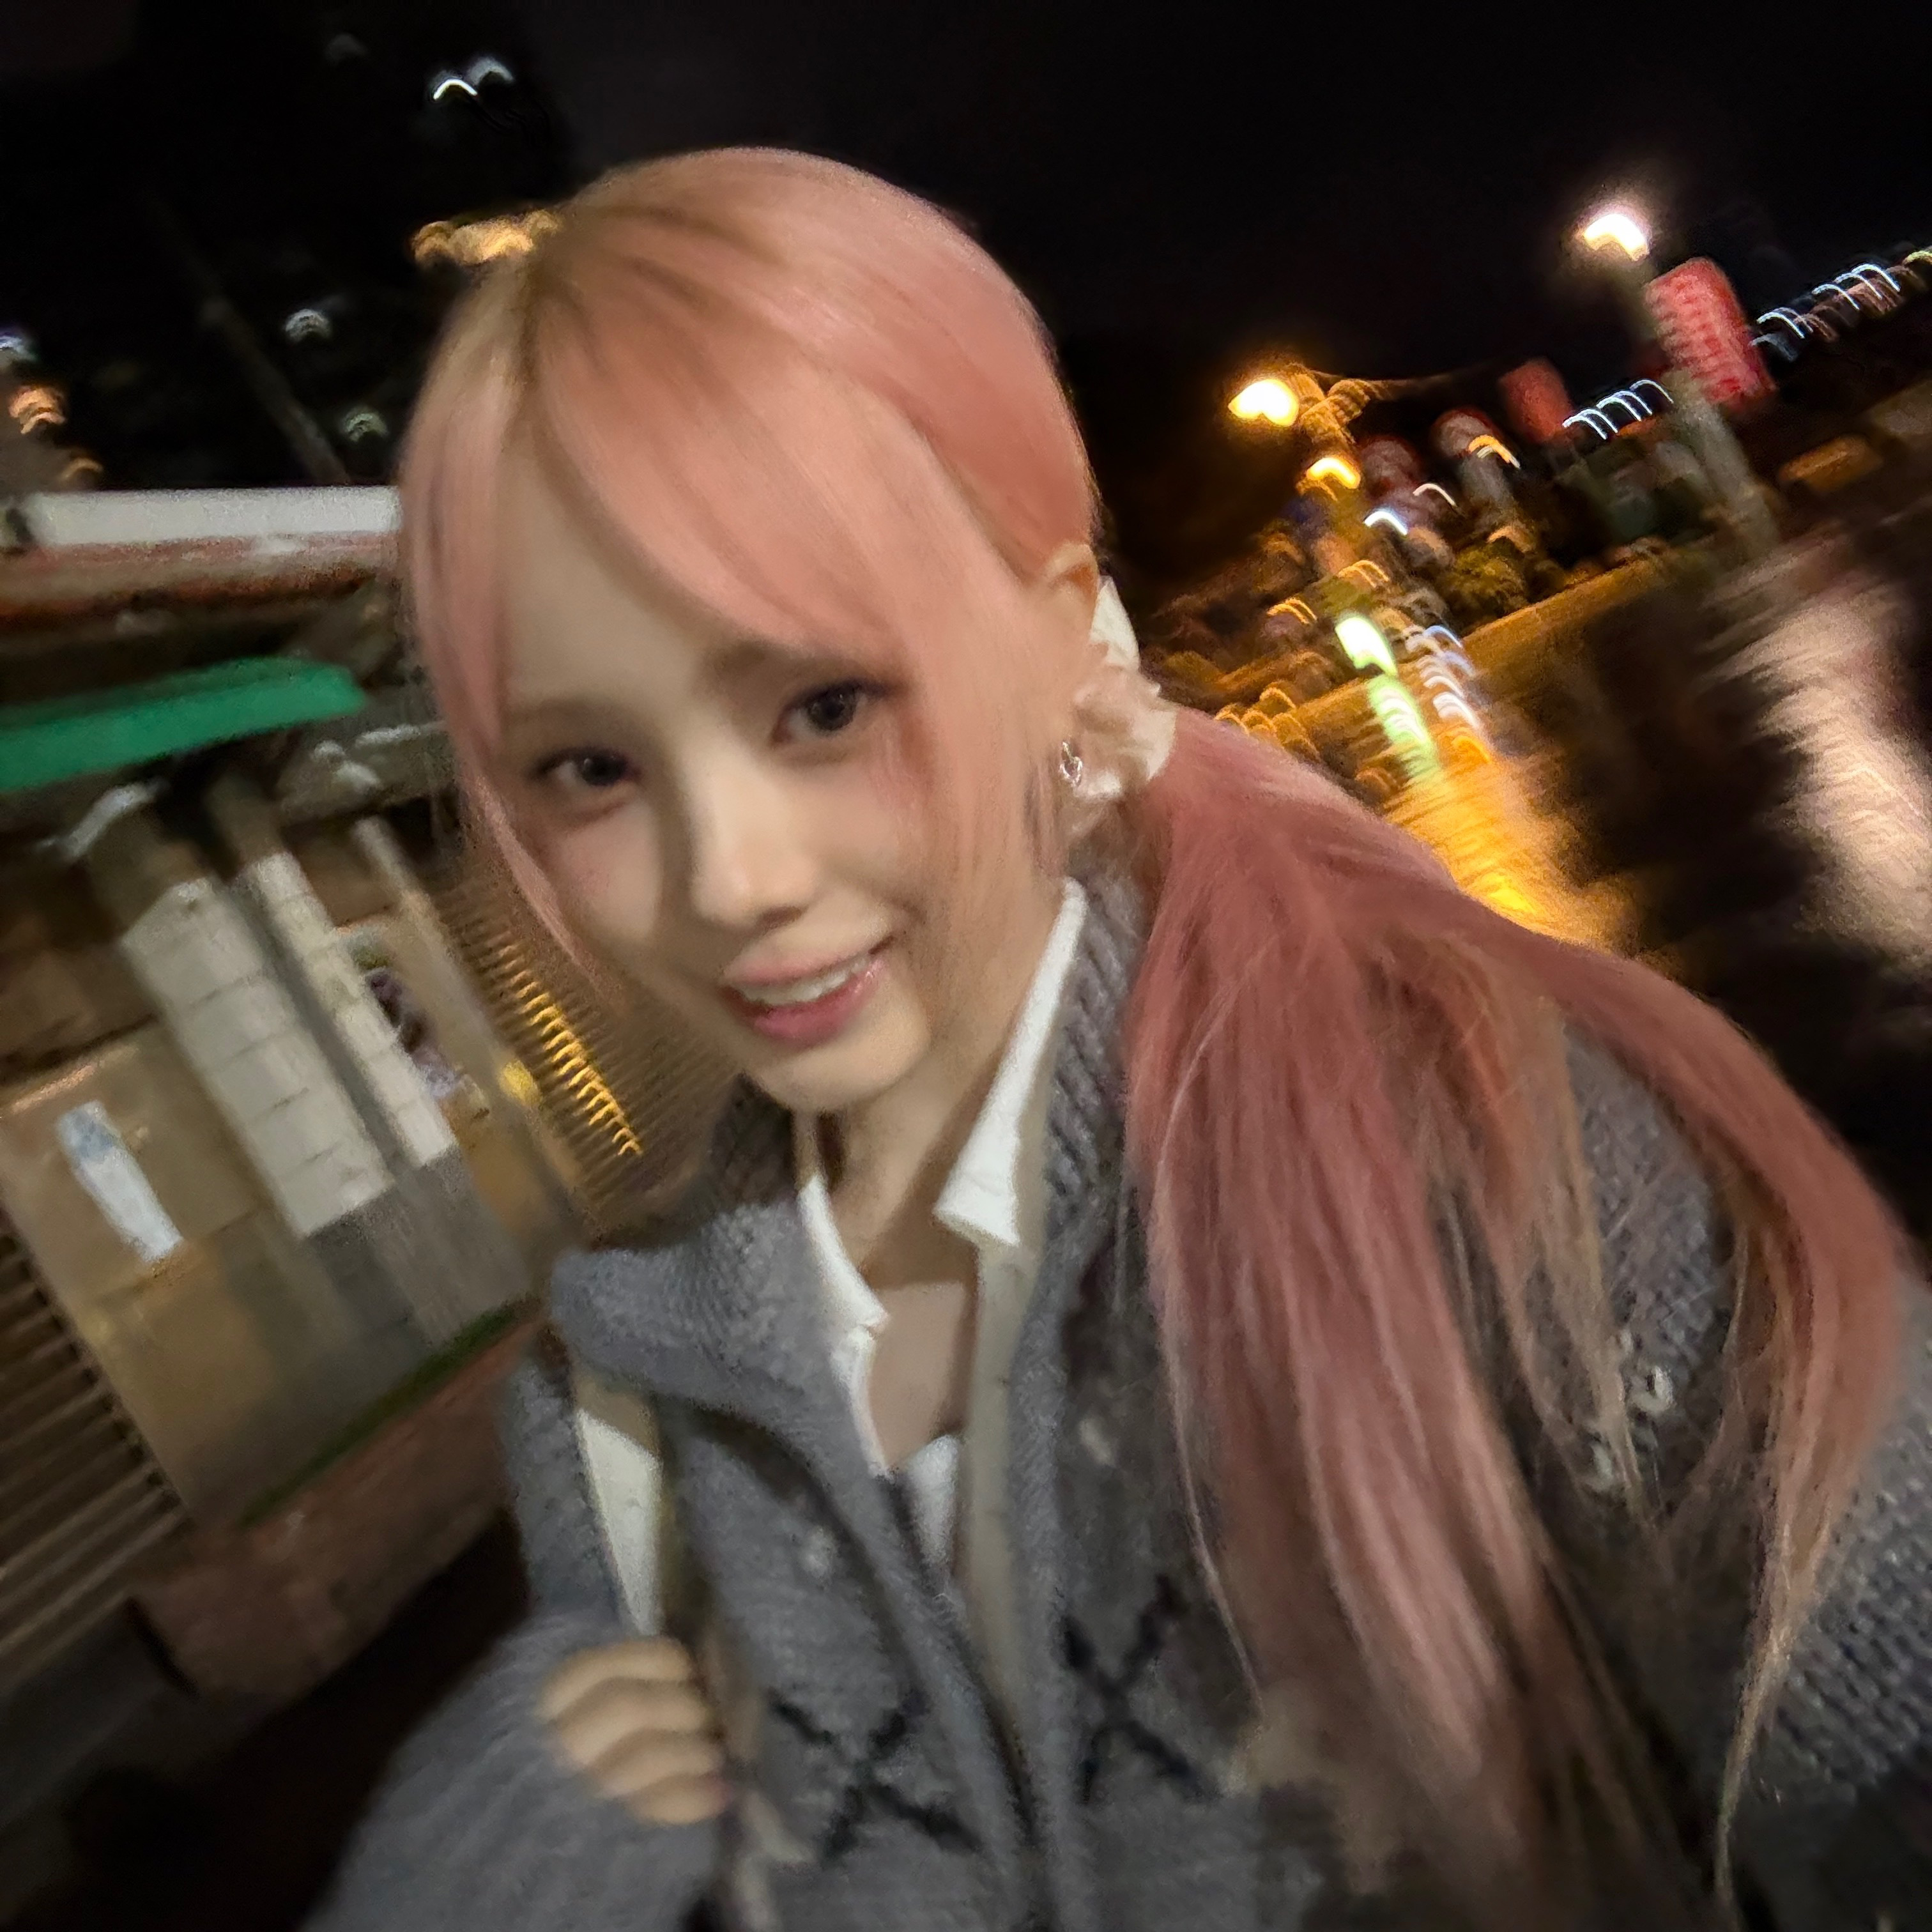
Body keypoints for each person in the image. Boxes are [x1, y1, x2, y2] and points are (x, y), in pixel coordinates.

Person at [310, 150, 1931, 1932]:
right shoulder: (618, 1411)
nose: (730, 880)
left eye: (826, 703)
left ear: (1066, 637)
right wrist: (496, 1850)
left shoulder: (1465, 1130)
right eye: (590, 767)